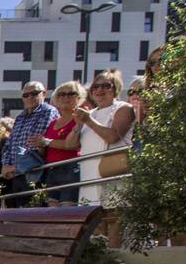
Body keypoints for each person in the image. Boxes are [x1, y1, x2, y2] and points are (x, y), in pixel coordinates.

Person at [76, 69, 135, 204]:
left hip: (113, 172)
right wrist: (77, 126)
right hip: (89, 174)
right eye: (95, 86)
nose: (99, 90)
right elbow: (72, 144)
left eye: (106, 86)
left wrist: (88, 121)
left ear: (116, 89)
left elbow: (113, 137)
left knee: (114, 216)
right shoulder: (89, 113)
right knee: (93, 219)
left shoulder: (124, 108)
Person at [1, 80, 59, 207]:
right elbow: (9, 145)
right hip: (16, 177)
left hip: (35, 175)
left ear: (44, 94)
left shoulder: (48, 112)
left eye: (34, 93)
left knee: (33, 213)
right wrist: (6, 166)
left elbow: (37, 145)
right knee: (17, 217)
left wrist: (15, 168)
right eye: (26, 95)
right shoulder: (20, 117)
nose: (30, 97)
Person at [29, 82, 84, 206]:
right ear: (55, 98)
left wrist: (46, 142)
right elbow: (47, 148)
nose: (66, 97)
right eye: (61, 94)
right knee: (52, 214)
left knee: (66, 211)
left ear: (79, 97)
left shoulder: (80, 118)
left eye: (71, 94)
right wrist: (39, 145)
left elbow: (72, 144)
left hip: (70, 167)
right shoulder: (53, 123)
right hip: (52, 170)